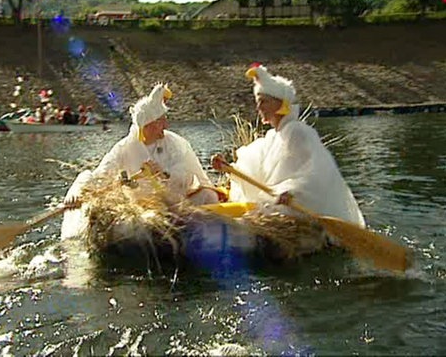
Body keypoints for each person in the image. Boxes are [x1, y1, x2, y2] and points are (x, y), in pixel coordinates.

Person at [211, 64, 366, 227]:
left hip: (299, 207)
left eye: (263, 102)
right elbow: (254, 171)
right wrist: (229, 169)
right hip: (281, 204)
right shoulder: (272, 137)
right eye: (258, 102)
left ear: (280, 104)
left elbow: (318, 172)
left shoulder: (299, 132)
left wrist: (294, 193)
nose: (259, 108)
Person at [61, 83, 219, 240]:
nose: (166, 125)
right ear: (148, 126)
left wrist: (164, 174)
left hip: (177, 204)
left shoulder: (174, 142)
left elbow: (186, 171)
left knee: (209, 196)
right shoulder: (124, 147)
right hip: (143, 209)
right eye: (161, 121)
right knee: (127, 224)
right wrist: (81, 193)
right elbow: (102, 173)